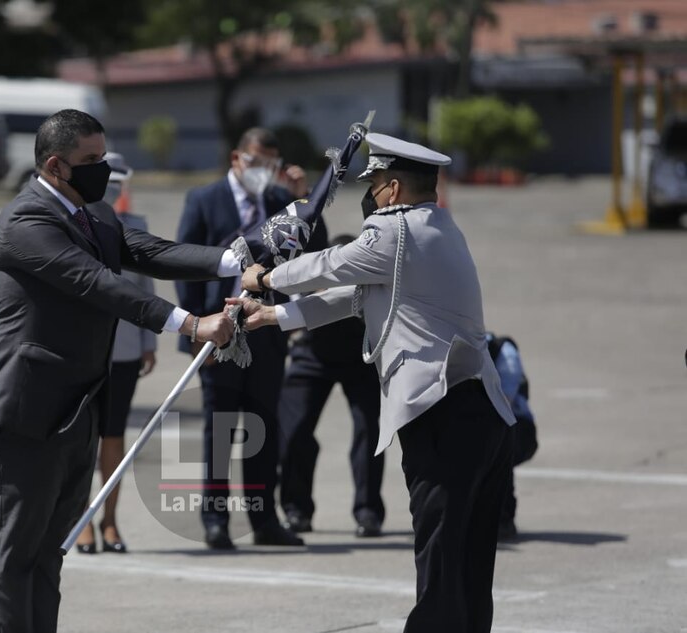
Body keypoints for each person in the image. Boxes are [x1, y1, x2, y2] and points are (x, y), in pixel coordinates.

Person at [0, 109, 238, 633]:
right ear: (54, 165)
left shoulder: (93, 213)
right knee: (16, 553)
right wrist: (190, 323)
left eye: (103, 157)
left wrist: (237, 261)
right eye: (90, 160)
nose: (103, 170)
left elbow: (149, 251)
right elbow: (96, 282)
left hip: (74, 408)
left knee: (50, 551)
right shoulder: (26, 222)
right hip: (23, 411)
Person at [232, 132, 516, 633]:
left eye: (375, 183)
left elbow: (331, 265)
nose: (370, 194)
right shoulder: (437, 227)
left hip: (443, 414)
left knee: (439, 556)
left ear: (392, 189)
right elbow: (354, 297)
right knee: (466, 561)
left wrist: (265, 278)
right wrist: (274, 316)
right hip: (478, 413)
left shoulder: (394, 231)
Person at [176, 126, 320, 550]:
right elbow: (184, 265)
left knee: (264, 425)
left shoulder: (280, 203)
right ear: (237, 158)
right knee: (221, 428)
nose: (264, 171)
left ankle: (264, 519)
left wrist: (304, 199)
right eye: (257, 162)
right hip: (217, 332)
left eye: (271, 164)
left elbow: (313, 251)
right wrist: (194, 327)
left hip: (266, 331)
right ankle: (216, 520)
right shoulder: (204, 200)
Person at [278, 233, 386, 538]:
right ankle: (296, 510)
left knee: (369, 431)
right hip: (312, 354)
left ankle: (368, 512)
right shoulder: (316, 268)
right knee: (293, 429)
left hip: (360, 355)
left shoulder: (371, 274)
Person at [75, 152, 156, 554]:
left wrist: (148, 342)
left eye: (118, 183)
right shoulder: (69, 222)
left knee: (113, 435)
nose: (111, 190)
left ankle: (110, 520)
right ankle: (81, 521)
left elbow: (146, 286)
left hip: (123, 348)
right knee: (81, 439)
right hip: (80, 349)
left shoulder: (135, 226)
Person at [487, 333, 538, 541]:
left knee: (495, 451)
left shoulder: (504, 352)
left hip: (517, 427)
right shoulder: (458, 348)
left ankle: (504, 519)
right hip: (486, 422)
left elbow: (503, 403)